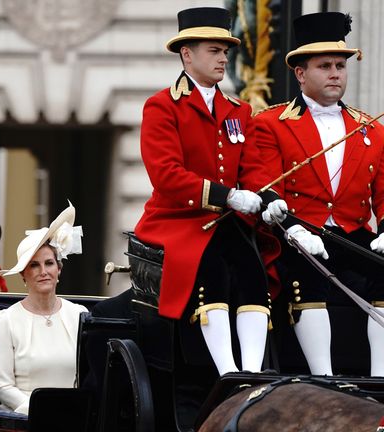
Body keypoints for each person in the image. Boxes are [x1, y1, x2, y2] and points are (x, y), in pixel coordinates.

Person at [133, 7, 288, 376]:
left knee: (253, 270)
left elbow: (252, 168)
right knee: (213, 266)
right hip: (179, 220)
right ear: (187, 54)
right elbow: (166, 175)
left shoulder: (239, 110)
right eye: (214, 50)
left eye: (225, 51)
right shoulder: (162, 106)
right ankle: (227, 373)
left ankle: (250, 373)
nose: (223, 58)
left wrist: (267, 198)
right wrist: (227, 196)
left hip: (228, 220)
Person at [254, 12, 384, 376]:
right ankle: (323, 379)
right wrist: (292, 229)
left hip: (354, 238)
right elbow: (266, 186)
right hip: (298, 236)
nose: (335, 74)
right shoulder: (271, 124)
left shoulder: (371, 128)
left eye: (340, 65)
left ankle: (379, 380)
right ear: (300, 73)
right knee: (305, 278)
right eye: (324, 65)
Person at [0, 202, 87, 415]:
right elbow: (3, 387)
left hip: (75, 419)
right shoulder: (5, 319)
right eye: (34, 265)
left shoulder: (79, 314)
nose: (43, 271)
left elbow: (88, 378)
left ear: (59, 269)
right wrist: (39, 410)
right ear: (23, 275)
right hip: (27, 420)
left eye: (49, 263)